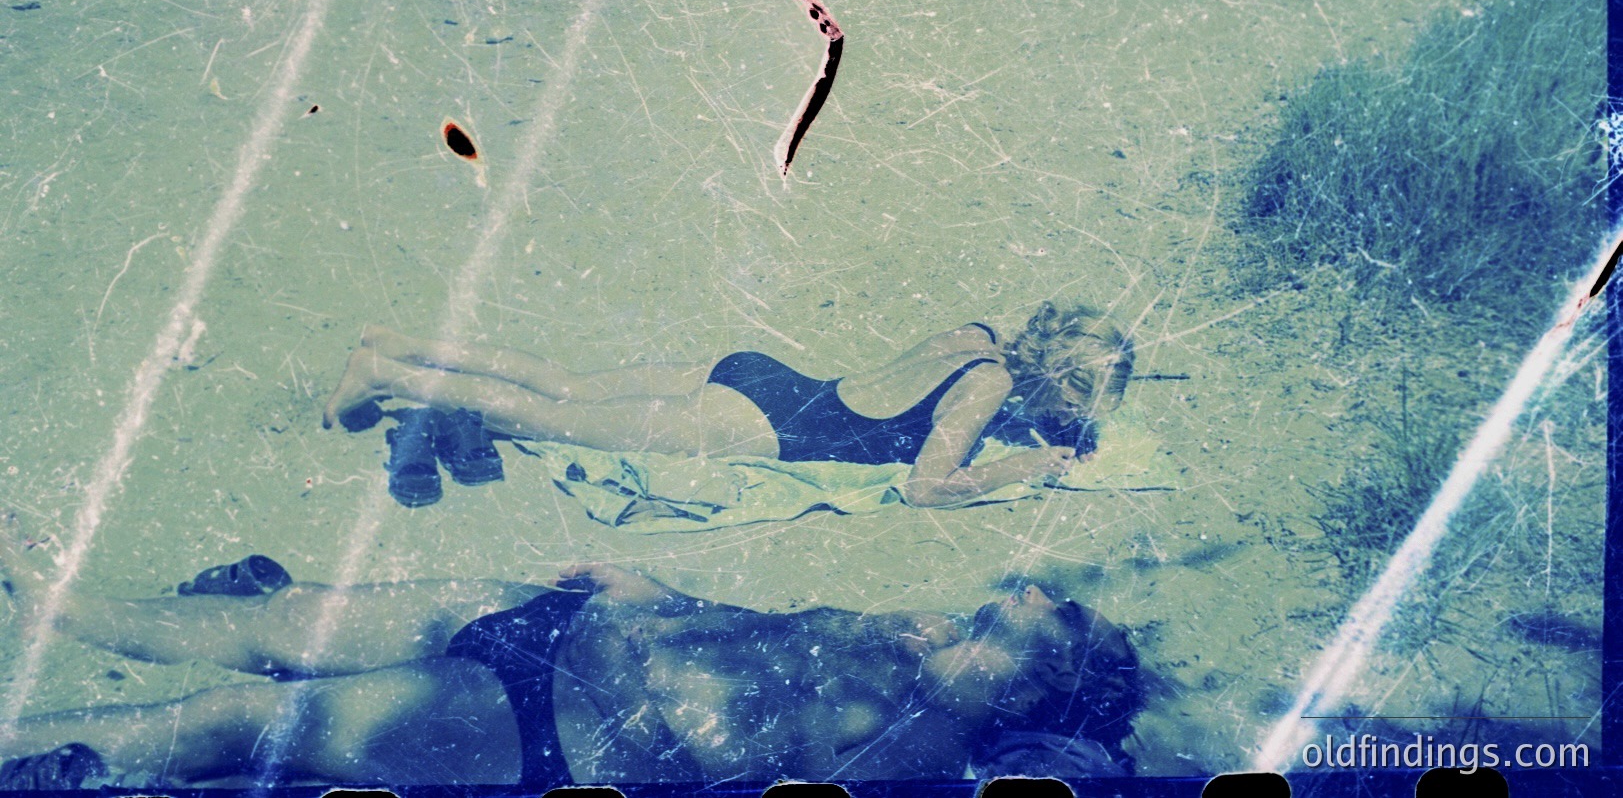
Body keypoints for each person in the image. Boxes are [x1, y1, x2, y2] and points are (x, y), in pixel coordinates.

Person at [0, 530, 1140, 786]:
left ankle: (64, 759)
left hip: (539, 724)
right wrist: (666, 594)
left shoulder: (926, 755)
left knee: (216, 721)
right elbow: (759, 647)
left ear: (1032, 692)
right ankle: (61, 597)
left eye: (989, 633)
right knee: (274, 623)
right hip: (548, 625)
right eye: (977, 604)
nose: (954, 621)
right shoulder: (913, 659)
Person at [323, 302, 1134, 507]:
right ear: (1058, 380)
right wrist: (1021, 465)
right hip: (766, 426)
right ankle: (387, 383)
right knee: (548, 419)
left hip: (760, 374)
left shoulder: (980, 337)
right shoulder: (990, 388)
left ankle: (394, 342)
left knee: (564, 381)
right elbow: (926, 483)